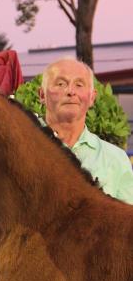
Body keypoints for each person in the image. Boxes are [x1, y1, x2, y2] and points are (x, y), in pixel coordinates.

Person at [39, 58, 133, 204]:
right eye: (60, 84)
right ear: (42, 95)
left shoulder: (115, 159)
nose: (70, 91)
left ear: (92, 98)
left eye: (79, 85)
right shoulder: (21, 148)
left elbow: (127, 222)